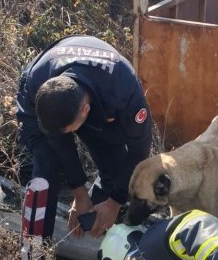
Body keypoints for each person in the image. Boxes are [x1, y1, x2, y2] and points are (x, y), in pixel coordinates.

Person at [16, 35, 153, 241]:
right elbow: (56, 140)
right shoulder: (38, 81)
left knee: (117, 172)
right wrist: (78, 192)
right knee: (46, 163)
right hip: (43, 93)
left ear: (85, 111)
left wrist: (114, 202)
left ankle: (94, 216)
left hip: (104, 102)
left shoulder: (124, 93)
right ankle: (33, 250)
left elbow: (139, 151)